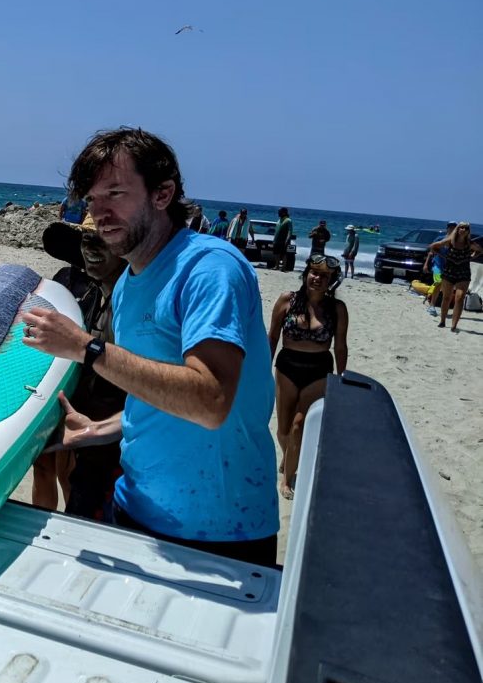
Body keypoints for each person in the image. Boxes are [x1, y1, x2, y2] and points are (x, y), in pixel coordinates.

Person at [22, 128, 278, 567]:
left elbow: (210, 400)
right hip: (134, 507)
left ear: (163, 194)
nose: (99, 213)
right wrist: (100, 429)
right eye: (92, 199)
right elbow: (158, 392)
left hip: (220, 530)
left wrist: (88, 348)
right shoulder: (127, 285)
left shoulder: (209, 268)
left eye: (115, 193)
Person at [32, 214, 127, 519]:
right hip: (68, 398)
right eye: (87, 239)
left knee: (75, 481)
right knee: (50, 468)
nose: (93, 249)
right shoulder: (68, 282)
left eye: (103, 239)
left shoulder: (128, 299)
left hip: (108, 422)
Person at [267, 254, 349, 500]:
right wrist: (264, 367)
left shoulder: (337, 309)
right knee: (282, 429)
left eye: (325, 276)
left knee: (298, 425)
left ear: (332, 281)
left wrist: (342, 378)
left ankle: (287, 478)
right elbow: (272, 337)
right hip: (287, 367)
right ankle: (289, 458)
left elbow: (341, 346)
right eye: (314, 273)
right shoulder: (286, 300)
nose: (318, 278)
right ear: (305, 275)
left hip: (319, 370)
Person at [428, 222, 483, 333]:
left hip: (463, 273)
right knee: (446, 297)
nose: (463, 229)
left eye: (466, 228)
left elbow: (480, 250)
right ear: (457, 230)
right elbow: (433, 246)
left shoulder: (470, 243)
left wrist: (471, 257)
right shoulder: (450, 242)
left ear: (468, 231)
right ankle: (443, 321)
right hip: (449, 271)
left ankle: (454, 325)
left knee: (460, 297)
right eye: (461, 227)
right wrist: (442, 256)